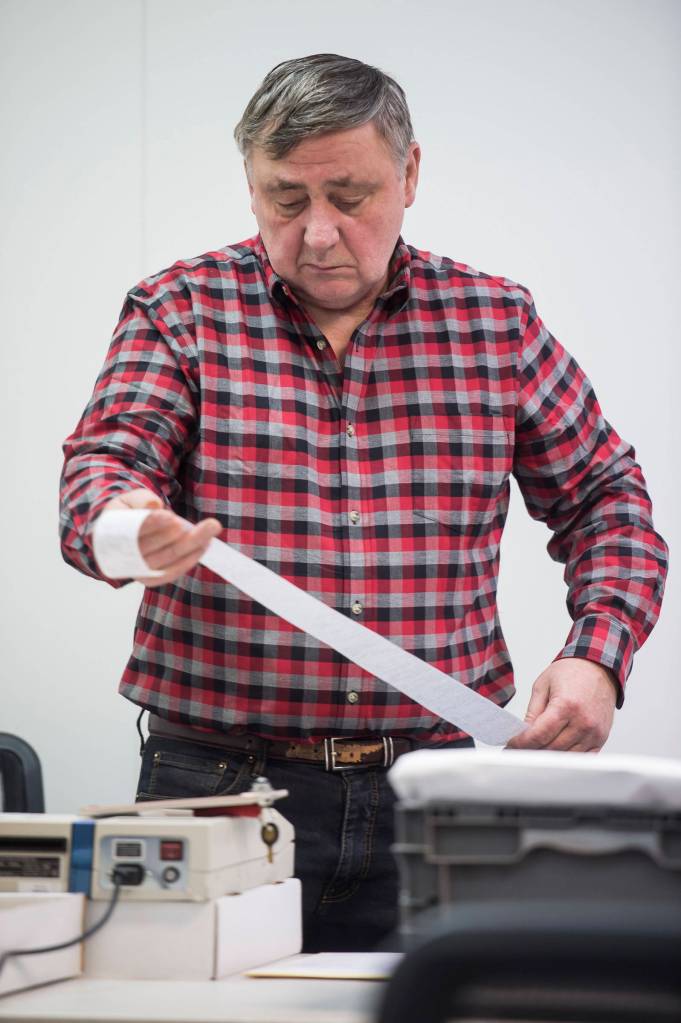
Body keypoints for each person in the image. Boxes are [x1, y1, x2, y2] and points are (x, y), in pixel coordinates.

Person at [60, 53, 668, 951]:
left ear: (410, 174)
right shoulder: (178, 311)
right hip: (220, 785)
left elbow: (606, 501)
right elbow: (102, 469)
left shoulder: (495, 324)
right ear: (250, 182)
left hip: (434, 792)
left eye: (350, 196)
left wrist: (599, 656)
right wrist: (124, 530)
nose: (316, 233)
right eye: (284, 199)